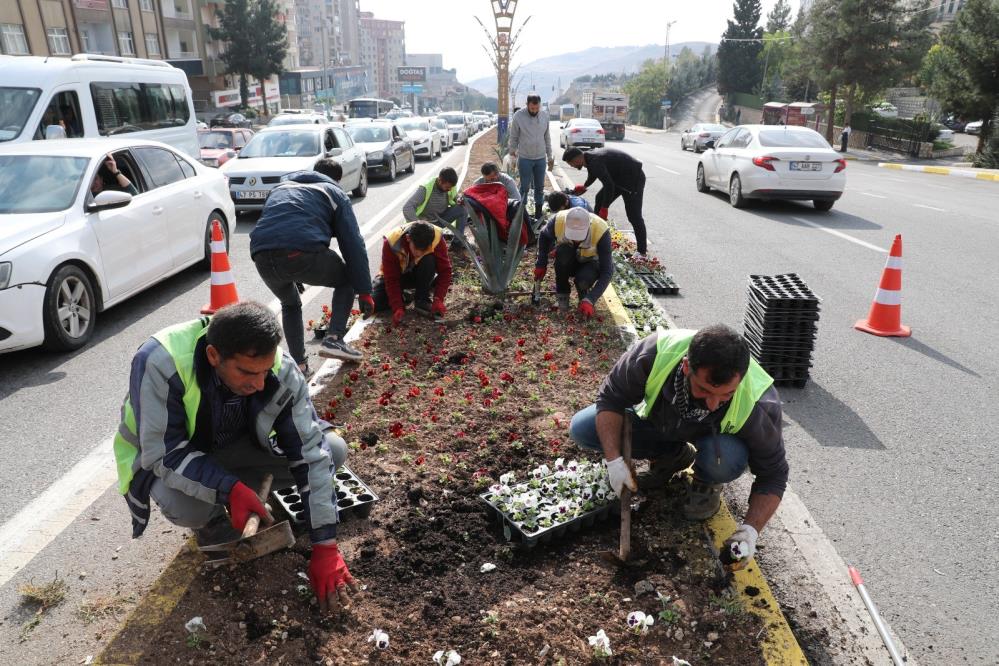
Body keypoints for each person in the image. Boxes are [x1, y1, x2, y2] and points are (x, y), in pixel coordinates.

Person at [112, 302, 358, 613]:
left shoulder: (280, 369)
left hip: (235, 445)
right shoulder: (161, 362)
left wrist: (325, 546)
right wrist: (229, 489)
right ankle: (214, 521)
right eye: (246, 372)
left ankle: (240, 495)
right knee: (188, 506)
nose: (258, 384)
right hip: (171, 455)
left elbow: (309, 451)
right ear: (214, 356)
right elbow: (164, 451)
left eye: (264, 371)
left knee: (332, 450)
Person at [569, 325, 788, 569]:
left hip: (715, 443)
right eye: (704, 390)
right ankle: (670, 455)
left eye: (726, 395)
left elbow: (774, 474)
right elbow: (611, 399)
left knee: (726, 458)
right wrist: (614, 460)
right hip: (663, 422)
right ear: (686, 367)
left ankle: (707, 481)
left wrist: (751, 530)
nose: (713, 403)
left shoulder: (759, 404)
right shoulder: (654, 353)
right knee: (584, 428)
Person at [250, 158, 374, 368]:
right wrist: (364, 290)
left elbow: (279, 225)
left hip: (261, 256)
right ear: (337, 179)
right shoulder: (334, 192)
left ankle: (299, 365)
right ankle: (334, 339)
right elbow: (353, 244)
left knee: (290, 304)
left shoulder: (280, 188)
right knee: (346, 280)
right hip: (299, 252)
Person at [562, 146, 648, 255]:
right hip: (619, 178)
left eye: (571, 164)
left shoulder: (595, 161)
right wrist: (585, 186)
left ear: (577, 159)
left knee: (634, 216)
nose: (572, 166)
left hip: (633, 179)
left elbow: (609, 185)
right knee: (599, 198)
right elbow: (593, 173)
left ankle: (642, 252)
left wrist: (605, 208)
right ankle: (598, 236)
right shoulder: (588, 157)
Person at [534, 207, 613, 317]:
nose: (576, 240)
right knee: (563, 252)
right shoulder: (558, 221)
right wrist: (541, 263)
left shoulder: (601, 230)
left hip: (590, 262)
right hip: (568, 259)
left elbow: (607, 271)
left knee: (583, 280)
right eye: (573, 236)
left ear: (588, 227)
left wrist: (592, 299)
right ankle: (563, 294)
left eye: (579, 236)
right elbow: (544, 235)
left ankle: (584, 296)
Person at [372, 221, 452, 324]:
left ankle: (421, 299)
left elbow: (445, 271)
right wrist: (397, 307)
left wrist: (438, 298)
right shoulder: (391, 242)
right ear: (408, 238)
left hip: (419, 273)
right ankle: (405, 296)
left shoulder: (436, 237)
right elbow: (391, 279)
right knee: (374, 304)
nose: (419, 254)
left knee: (429, 260)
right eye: (417, 249)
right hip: (398, 276)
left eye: (424, 250)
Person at [508, 94, 553, 225]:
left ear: (540, 105)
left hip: (540, 158)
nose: (534, 111)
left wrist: (549, 156)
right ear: (527, 105)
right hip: (525, 158)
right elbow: (514, 136)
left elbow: (547, 137)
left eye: (537, 108)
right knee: (524, 187)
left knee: (539, 187)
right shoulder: (519, 116)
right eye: (532, 108)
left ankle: (538, 215)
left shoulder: (544, 116)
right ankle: (523, 215)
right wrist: (512, 154)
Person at [403, 167, 468, 252]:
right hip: (426, 226)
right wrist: (419, 225)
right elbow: (407, 207)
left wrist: (459, 200)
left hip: (440, 219)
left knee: (462, 209)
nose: (449, 189)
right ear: (440, 180)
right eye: (447, 187)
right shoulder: (425, 189)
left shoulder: (451, 187)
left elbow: (455, 198)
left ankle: (457, 243)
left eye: (451, 187)